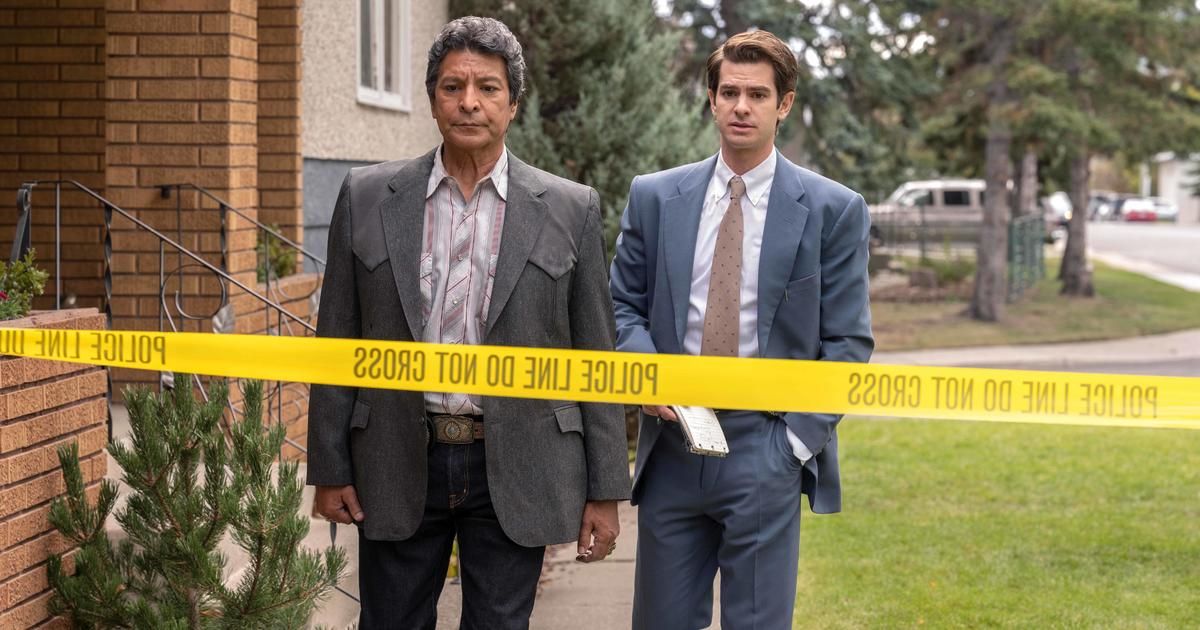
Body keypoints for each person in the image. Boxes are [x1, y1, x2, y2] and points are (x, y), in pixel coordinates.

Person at [307, 16, 630, 630]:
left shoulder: (570, 208)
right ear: (432, 100)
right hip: (396, 456)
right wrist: (329, 468)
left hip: (519, 460)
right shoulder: (369, 195)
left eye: (487, 87)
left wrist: (605, 490)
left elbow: (597, 353)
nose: (469, 102)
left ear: (513, 104)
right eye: (453, 86)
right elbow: (337, 340)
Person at [609, 30, 874, 629]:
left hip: (766, 448)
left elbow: (847, 343)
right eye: (729, 92)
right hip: (672, 448)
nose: (741, 107)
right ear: (711, 98)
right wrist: (649, 375)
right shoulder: (654, 198)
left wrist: (793, 448)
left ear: (783, 104)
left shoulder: (833, 209)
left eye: (757, 94)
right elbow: (622, 305)